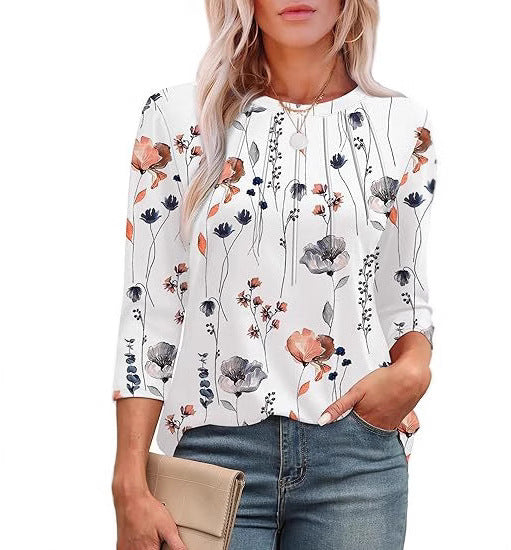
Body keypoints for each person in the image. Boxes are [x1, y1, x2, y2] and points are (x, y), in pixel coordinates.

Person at [111, 1, 437, 549]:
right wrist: (128, 481)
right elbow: (150, 307)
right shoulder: (177, 118)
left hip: (357, 459)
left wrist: (414, 371)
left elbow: (403, 293)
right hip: (213, 456)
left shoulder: (402, 125)